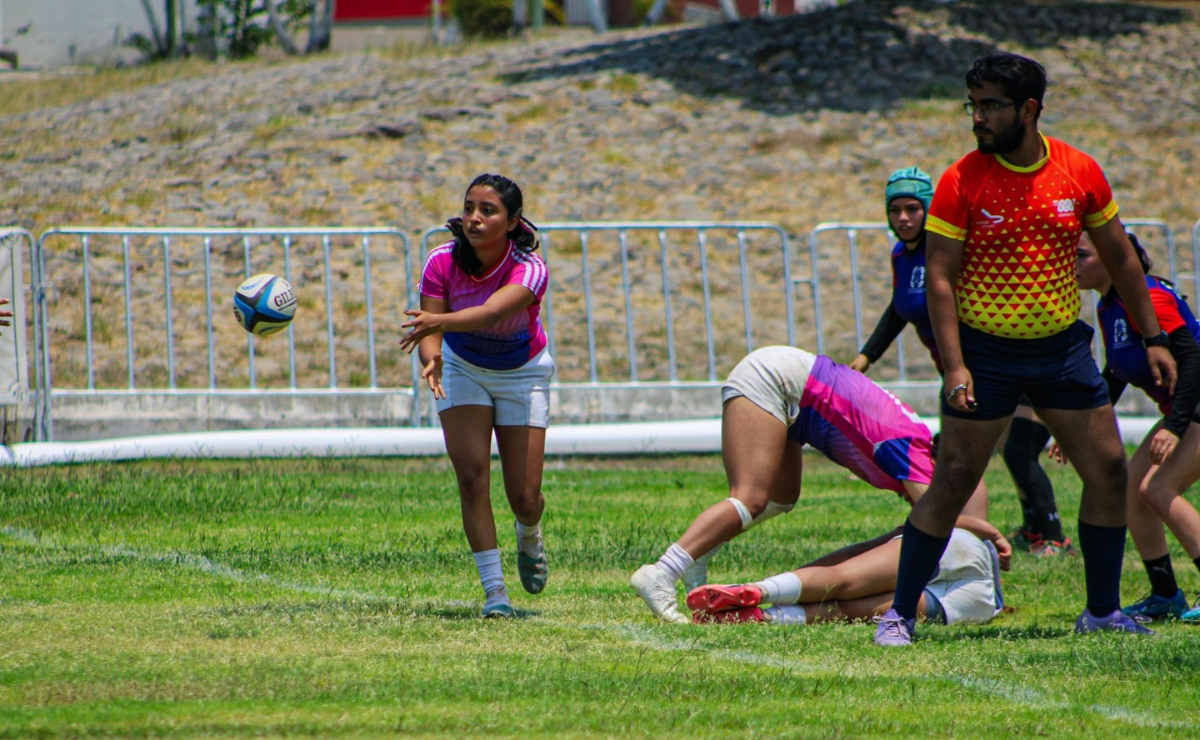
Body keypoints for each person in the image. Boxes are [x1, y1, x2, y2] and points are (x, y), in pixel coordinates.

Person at [874, 51, 1176, 647]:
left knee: (1109, 472)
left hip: (1062, 352)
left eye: (990, 106)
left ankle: (1102, 611)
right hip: (985, 355)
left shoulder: (1078, 171)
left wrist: (1154, 336)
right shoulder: (960, 180)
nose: (977, 117)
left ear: (1029, 108)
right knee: (954, 480)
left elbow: (1120, 256)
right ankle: (899, 615)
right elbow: (940, 279)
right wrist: (955, 366)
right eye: (973, 105)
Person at [629, 344, 1010, 624]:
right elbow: (935, 514)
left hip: (797, 399)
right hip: (777, 380)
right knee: (751, 497)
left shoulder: (916, 445)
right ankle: (662, 572)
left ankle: (698, 557)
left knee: (780, 499)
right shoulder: (910, 451)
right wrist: (989, 531)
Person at [850, 166, 1068, 554]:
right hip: (954, 372)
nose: (903, 218)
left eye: (913, 209)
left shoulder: (949, 249)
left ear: (928, 208)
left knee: (973, 455)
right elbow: (900, 308)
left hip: (988, 364)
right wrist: (867, 356)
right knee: (985, 452)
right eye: (895, 210)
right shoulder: (901, 256)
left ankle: (1039, 538)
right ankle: (1029, 532)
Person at [400, 173, 553, 619]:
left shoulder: (530, 268)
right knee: (471, 478)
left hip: (522, 373)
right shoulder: (440, 260)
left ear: (513, 221)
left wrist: (438, 325)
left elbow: (489, 314)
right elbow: (428, 328)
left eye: (488, 210)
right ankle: (495, 594)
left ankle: (529, 534)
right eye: (469, 208)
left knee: (524, 498)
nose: (474, 218)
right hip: (462, 367)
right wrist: (432, 357)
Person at [1071, 234, 1200, 622]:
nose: (1070, 264)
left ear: (1112, 258)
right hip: (1186, 409)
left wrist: (1174, 427)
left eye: (1080, 255)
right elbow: (1117, 371)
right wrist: (1079, 422)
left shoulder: (1149, 297)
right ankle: (1165, 595)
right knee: (1132, 488)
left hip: (1192, 408)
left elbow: (1193, 358)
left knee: (1158, 488)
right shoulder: (1109, 306)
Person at [687, 525, 1007, 628]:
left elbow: (852, 559)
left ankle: (761, 591)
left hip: (959, 545)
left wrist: (993, 534)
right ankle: (765, 617)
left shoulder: (937, 473)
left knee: (843, 579)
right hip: (979, 603)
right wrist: (996, 537)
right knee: (848, 612)